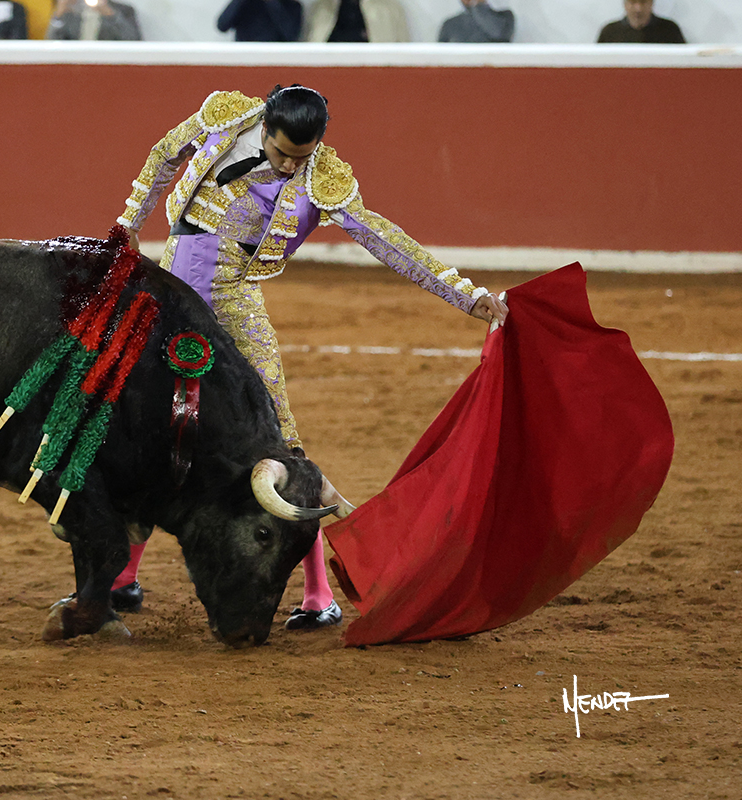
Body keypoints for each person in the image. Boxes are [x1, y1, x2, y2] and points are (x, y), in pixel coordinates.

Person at [113, 86, 509, 630]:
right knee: (153, 422)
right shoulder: (226, 115)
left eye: (302, 157)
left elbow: (386, 240)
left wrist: (465, 294)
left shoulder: (324, 179)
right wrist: (130, 221)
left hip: (232, 296)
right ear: (266, 126)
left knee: (278, 437)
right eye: (281, 154)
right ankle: (120, 578)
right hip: (173, 282)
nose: (289, 166)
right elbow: (164, 155)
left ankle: (319, 594)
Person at [46, 0, 142, 41]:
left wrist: (111, 15)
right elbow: (52, 40)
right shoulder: (72, 11)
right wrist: (59, 14)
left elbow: (132, 39)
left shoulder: (124, 11)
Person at [598, 0, 686, 43]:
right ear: (625, 4)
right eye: (633, 2)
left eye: (643, 2)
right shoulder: (609, 32)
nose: (638, 9)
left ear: (651, 3)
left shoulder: (670, 30)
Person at [217, 0, 303, 43]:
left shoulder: (292, 6)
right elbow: (222, 25)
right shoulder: (246, 4)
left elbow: (291, 36)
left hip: (275, 61)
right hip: (244, 59)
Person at [437, 0, 514, 43]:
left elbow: (498, 35)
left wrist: (478, 6)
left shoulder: (504, 17)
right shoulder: (450, 24)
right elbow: (441, 56)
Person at [303, 0, 368, 42]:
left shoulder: (374, 7)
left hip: (367, 57)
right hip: (327, 57)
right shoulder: (323, 7)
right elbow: (314, 39)